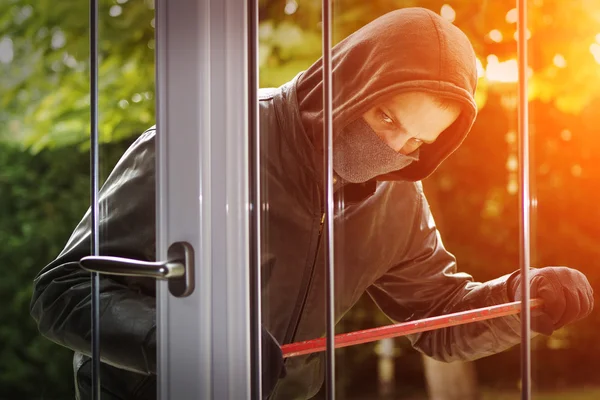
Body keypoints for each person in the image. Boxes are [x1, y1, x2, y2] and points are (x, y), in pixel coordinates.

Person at [30, 7, 593, 400]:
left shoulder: (399, 194)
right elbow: (64, 291)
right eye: (386, 118)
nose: (392, 150)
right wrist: (182, 345)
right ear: (348, 81)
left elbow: (436, 316)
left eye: (416, 142)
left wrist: (520, 300)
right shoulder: (200, 140)